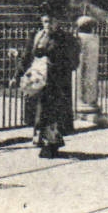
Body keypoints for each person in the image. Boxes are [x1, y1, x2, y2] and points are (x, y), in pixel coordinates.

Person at [19, 12, 79, 158]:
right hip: (38, 82)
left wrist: (54, 64)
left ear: (58, 22)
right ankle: (43, 140)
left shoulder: (66, 38)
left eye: (51, 22)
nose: (48, 25)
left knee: (52, 113)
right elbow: (27, 56)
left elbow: (73, 62)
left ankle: (51, 145)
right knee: (38, 112)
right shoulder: (37, 36)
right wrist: (18, 75)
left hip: (57, 83)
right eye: (45, 21)